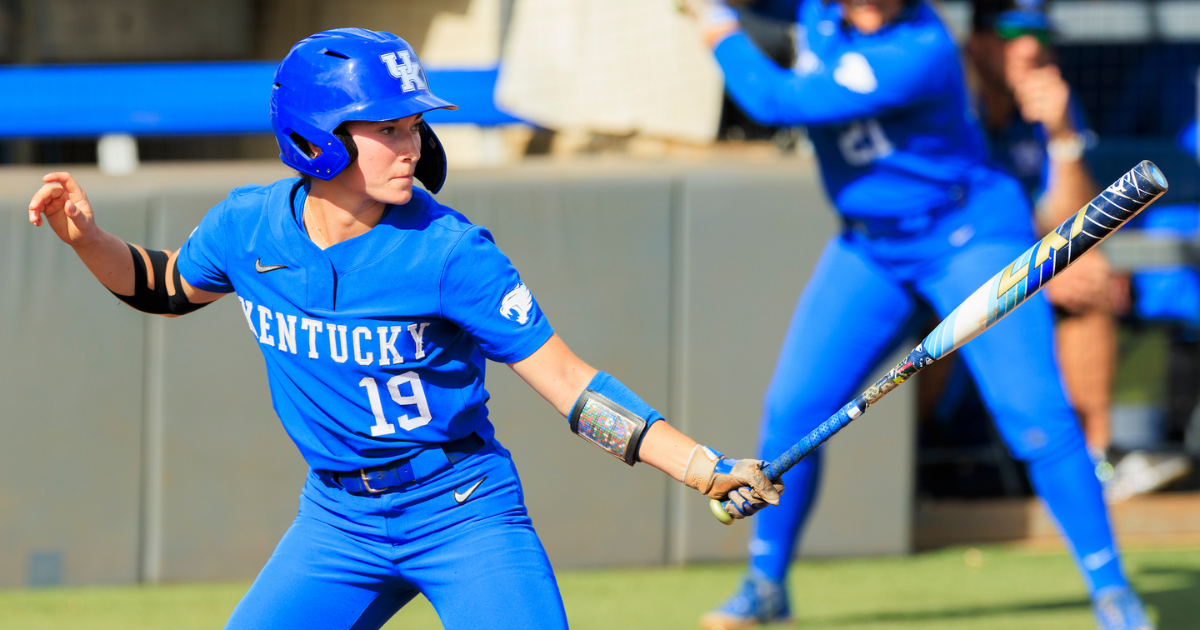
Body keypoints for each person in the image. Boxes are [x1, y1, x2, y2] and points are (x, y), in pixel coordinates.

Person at [26, 28, 782, 630]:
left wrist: (699, 466)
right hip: (338, 522)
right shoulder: (246, 227)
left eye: (416, 124)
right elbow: (163, 287)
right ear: (315, 136)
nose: (412, 145)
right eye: (387, 127)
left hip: (463, 510)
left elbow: (569, 384)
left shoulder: (452, 252)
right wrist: (87, 239)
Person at [682, 2, 1155, 629]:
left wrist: (716, 25)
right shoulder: (818, 11)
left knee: (1036, 418)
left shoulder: (920, 47)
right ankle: (765, 584)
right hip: (870, 248)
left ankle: (1112, 592)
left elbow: (772, 101)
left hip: (967, 234)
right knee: (794, 410)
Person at [967, 0, 1119, 479]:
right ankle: (927, 479)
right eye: (1012, 33)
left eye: (1040, 34)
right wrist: (1032, 272)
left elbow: (1078, 226)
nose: (1031, 48)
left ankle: (1094, 469)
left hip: (1027, 271)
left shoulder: (1053, 102)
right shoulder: (949, 99)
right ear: (977, 43)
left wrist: (1062, 135)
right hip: (951, 267)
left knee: (1086, 276)